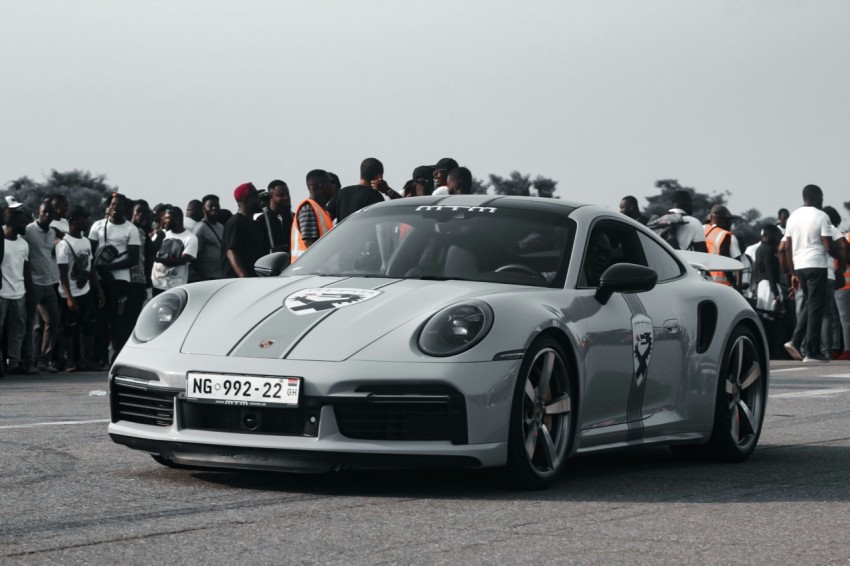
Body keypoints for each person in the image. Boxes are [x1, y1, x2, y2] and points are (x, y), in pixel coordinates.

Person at [780, 184, 834, 363]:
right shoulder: (821, 216)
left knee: (811, 305)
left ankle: (796, 341)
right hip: (817, 264)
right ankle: (812, 351)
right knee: (816, 308)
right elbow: (828, 245)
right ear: (818, 197)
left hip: (800, 265)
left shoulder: (793, 217)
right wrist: (838, 256)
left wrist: (792, 272)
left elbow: (786, 246)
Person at [89, 192, 142, 361]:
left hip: (120, 280)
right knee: (100, 319)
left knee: (118, 320)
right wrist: (99, 271)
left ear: (126, 209)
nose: (115, 208)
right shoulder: (97, 225)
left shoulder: (131, 229)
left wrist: (110, 267)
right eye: (112, 205)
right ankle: (100, 357)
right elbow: (90, 252)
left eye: (119, 206)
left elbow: (133, 259)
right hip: (99, 280)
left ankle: (118, 356)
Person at [56, 206, 104, 372]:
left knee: (90, 325)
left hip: (85, 291)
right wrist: (69, 298)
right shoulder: (63, 244)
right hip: (70, 293)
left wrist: (98, 289)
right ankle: (71, 361)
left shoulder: (85, 241)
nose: (87, 221)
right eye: (83, 218)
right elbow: (62, 275)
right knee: (71, 328)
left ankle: (88, 360)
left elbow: (90, 268)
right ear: (73, 221)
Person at [22, 199, 63, 373]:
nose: (47, 215)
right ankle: (28, 361)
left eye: (50, 212)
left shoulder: (54, 232)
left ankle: (43, 359)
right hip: (33, 283)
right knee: (32, 323)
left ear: (54, 215)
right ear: (38, 212)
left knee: (53, 321)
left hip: (50, 283)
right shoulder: (29, 230)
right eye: (44, 212)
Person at [0, 204, 33, 375]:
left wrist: (29, 293)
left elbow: (26, 270)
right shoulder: (1, 242)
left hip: (19, 293)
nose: (25, 225)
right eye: (22, 222)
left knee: (17, 331)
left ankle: (13, 362)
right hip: (2, 292)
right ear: (13, 222)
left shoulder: (23, 244)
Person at [327, 158, 399, 222]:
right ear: (379, 176)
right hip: (365, 237)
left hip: (342, 236)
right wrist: (387, 190)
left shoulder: (341, 192)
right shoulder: (375, 196)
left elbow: (327, 218)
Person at [752, 224, 784, 358]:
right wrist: (776, 295)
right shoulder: (770, 250)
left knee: (764, 320)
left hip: (761, 286)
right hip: (769, 286)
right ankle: (773, 351)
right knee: (772, 320)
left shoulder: (759, 248)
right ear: (770, 235)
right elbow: (771, 272)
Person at [223, 183, 268, 277]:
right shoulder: (236, 222)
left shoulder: (255, 223)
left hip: (254, 278)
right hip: (238, 282)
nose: (259, 200)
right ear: (245, 199)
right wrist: (243, 275)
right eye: (255, 197)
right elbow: (231, 252)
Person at [151, 207, 198, 294]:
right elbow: (150, 251)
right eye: (164, 218)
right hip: (155, 284)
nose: (165, 221)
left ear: (178, 219)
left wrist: (157, 259)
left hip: (175, 286)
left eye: (167, 218)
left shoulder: (190, 238)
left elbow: (183, 260)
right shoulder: (161, 234)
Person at [291, 169, 335, 263]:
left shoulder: (320, 210)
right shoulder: (308, 208)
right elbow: (309, 243)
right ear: (321, 185)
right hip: (307, 269)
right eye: (330, 182)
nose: (333, 186)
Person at [820, 206, 846, 359]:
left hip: (826, 275)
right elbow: (843, 247)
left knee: (827, 315)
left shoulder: (826, 230)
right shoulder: (836, 232)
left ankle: (827, 348)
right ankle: (833, 347)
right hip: (834, 277)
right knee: (833, 316)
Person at [703, 205, 742, 288]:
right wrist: (735, 284)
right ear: (721, 220)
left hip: (702, 281)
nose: (730, 223)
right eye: (728, 220)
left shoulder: (702, 229)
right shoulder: (726, 235)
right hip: (722, 285)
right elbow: (737, 264)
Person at [191, 194, 226, 281]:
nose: (214, 208)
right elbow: (194, 256)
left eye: (216, 206)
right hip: (209, 277)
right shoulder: (200, 228)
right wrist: (203, 277)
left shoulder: (221, 227)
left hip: (222, 276)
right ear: (203, 209)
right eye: (210, 206)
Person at [257, 180, 293, 254]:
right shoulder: (260, 220)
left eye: (287, 194)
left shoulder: (295, 218)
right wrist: (273, 251)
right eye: (281, 195)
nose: (286, 198)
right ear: (271, 197)